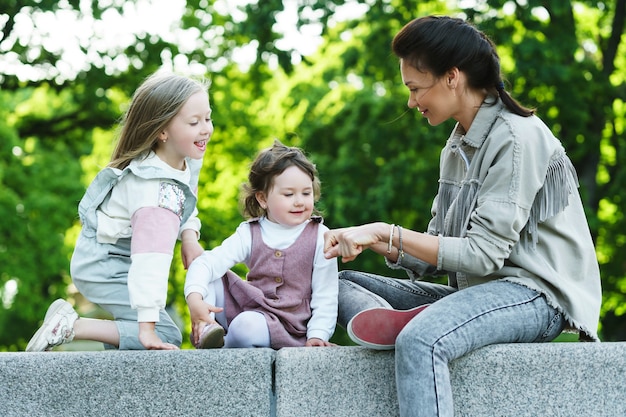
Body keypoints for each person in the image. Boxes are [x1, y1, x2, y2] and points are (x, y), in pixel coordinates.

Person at [323, 15, 601, 417]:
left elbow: (482, 256)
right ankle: (409, 321)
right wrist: (374, 240)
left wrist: (388, 231)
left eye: (415, 88)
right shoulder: (456, 146)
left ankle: (422, 327)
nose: (411, 102)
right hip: (475, 292)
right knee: (341, 282)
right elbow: (437, 251)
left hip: (534, 295)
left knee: (421, 341)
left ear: (452, 76)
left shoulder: (517, 137)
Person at [26, 71, 212, 351]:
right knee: (164, 335)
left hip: (117, 259)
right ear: (162, 132)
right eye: (194, 122)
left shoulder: (182, 158)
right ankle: (71, 326)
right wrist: (147, 330)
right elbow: (150, 262)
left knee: (142, 333)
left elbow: (188, 200)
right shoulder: (154, 192)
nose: (206, 129)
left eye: (208, 118)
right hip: (105, 265)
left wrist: (189, 235)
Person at [184, 140, 338, 349]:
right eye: (289, 194)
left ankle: (224, 345)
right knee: (208, 271)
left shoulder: (321, 235)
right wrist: (195, 299)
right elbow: (206, 264)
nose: (299, 201)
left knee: (244, 326)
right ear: (263, 199)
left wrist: (318, 335)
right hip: (249, 308)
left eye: (306, 192)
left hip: (287, 326)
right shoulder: (250, 232)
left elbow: (325, 293)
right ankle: (206, 328)